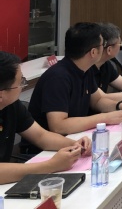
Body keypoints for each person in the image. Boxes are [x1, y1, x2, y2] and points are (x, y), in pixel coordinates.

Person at [27, 23, 122, 140]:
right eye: (103, 45)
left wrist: (121, 106)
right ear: (93, 52)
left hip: (75, 137)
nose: (104, 48)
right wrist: (105, 118)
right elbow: (58, 126)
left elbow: (97, 101)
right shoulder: (58, 77)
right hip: (49, 146)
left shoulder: (85, 69)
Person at [0, 52, 91, 184]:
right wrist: (50, 166)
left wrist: (75, 145)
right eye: (20, 82)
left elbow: (41, 136)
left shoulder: (12, 106)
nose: (23, 86)